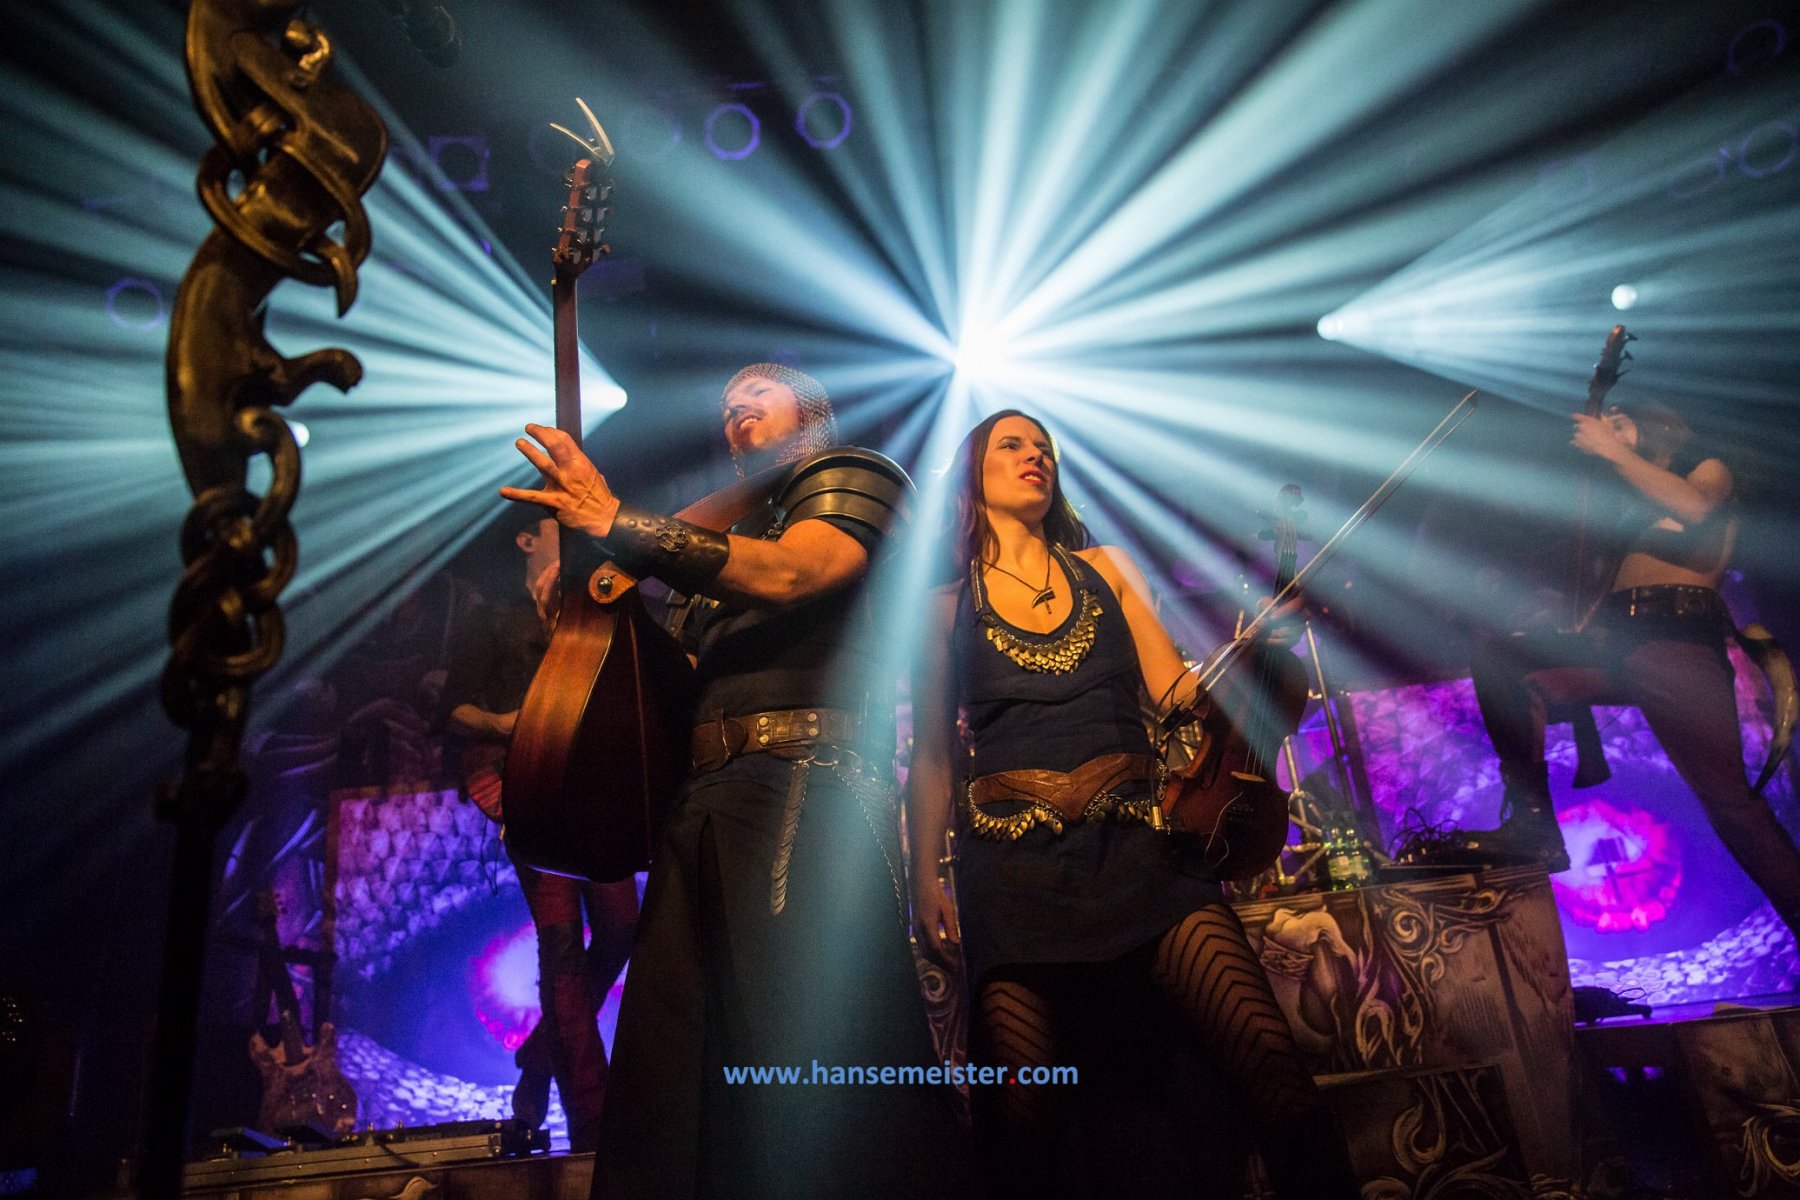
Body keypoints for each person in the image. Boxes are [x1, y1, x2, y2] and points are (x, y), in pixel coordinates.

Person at [500, 364, 974, 1199]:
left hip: (808, 789)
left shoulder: (855, 475)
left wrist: (616, 521)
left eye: (758, 394)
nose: (736, 410)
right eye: (726, 406)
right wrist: (593, 604)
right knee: (676, 1076)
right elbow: (675, 681)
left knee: (805, 1058)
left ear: (812, 411)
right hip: (703, 805)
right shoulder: (727, 539)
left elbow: (796, 573)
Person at [907, 410, 1357, 1199]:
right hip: (1013, 876)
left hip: (1143, 854)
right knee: (1023, 1124)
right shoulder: (942, 606)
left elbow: (1174, 692)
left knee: (1275, 1076)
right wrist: (922, 878)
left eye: (1044, 448)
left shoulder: (1107, 568)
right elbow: (934, 755)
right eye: (1012, 445)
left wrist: (1259, 655)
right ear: (972, 475)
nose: (1035, 456)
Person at [1454, 401, 1800, 941]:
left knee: (1731, 807)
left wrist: (1610, 450)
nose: (1610, 428)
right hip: (1617, 642)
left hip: (1676, 640)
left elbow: (1694, 510)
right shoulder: (1630, 503)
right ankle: (1533, 821)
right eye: (1608, 421)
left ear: (1665, 424)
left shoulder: (1707, 471)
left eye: (1622, 419)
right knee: (1505, 662)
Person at [439, 505, 639, 1151]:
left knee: (622, 927)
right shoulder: (491, 619)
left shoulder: (593, 609)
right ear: (527, 539)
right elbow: (452, 708)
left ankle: (540, 1056)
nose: (573, 534)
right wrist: (503, 725)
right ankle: (592, 1120)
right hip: (526, 792)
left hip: (594, 793)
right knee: (561, 947)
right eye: (558, 526)